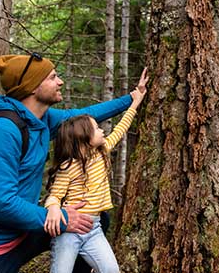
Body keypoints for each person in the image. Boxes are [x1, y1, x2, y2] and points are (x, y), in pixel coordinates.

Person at [0, 53, 147, 273]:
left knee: (92, 220)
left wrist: (133, 98)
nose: (60, 82)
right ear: (32, 87)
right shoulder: (0, 132)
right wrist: (61, 219)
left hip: (18, 235)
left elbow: (84, 116)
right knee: (74, 221)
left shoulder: (40, 120)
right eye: (52, 77)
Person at [43, 69, 148, 273]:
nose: (102, 130)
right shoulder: (69, 167)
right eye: (96, 128)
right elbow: (54, 196)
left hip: (94, 229)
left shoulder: (102, 152)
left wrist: (136, 100)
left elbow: (121, 128)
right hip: (68, 233)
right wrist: (54, 209)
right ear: (84, 139)